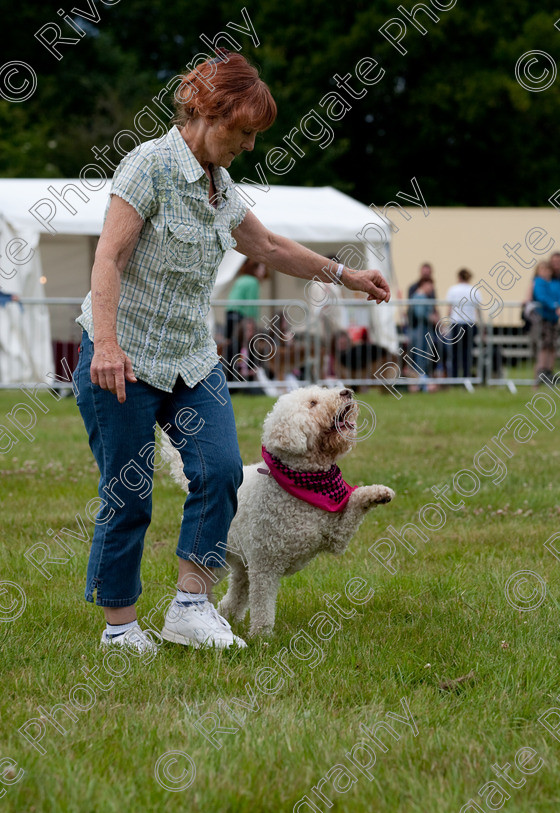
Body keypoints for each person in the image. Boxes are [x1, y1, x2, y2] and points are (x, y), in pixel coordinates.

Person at [73, 50, 391, 654]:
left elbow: (268, 244)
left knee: (220, 471)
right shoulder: (148, 168)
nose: (247, 145)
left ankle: (191, 607)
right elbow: (108, 258)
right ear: (204, 111)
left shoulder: (223, 187)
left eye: (253, 135)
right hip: (126, 357)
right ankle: (120, 627)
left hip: (192, 358)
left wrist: (345, 274)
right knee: (128, 490)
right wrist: (107, 344)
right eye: (241, 131)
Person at [224, 257, 267, 384]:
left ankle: (231, 376)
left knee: (233, 347)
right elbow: (251, 304)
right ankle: (245, 376)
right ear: (255, 269)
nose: (264, 271)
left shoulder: (241, 279)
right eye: (262, 268)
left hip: (230, 313)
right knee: (245, 345)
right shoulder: (253, 282)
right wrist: (253, 322)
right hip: (241, 315)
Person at [531, 257, 560, 384]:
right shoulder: (539, 282)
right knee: (544, 346)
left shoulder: (551, 283)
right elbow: (542, 297)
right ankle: (540, 373)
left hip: (553, 319)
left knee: (551, 345)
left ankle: (548, 372)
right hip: (544, 318)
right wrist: (555, 305)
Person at [446, 268, 478, 380]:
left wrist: (446, 324)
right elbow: (477, 310)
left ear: (459, 277)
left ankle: (454, 377)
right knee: (467, 352)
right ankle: (466, 377)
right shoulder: (474, 290)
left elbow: (449, 309)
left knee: (454, 352)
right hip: (469, 324)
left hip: (456, 324)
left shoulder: (453, 290)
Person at [408, 276, 439, 390]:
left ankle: (421, 384)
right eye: (430, 285)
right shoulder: (420, 296)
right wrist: (431, 317)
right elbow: (420, 313)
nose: (432, 288)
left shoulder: (418, 296)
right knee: (420, 359)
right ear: (424, 284)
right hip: (420, 333)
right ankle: (421, 386)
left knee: (422, 359)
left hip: (422, 332)